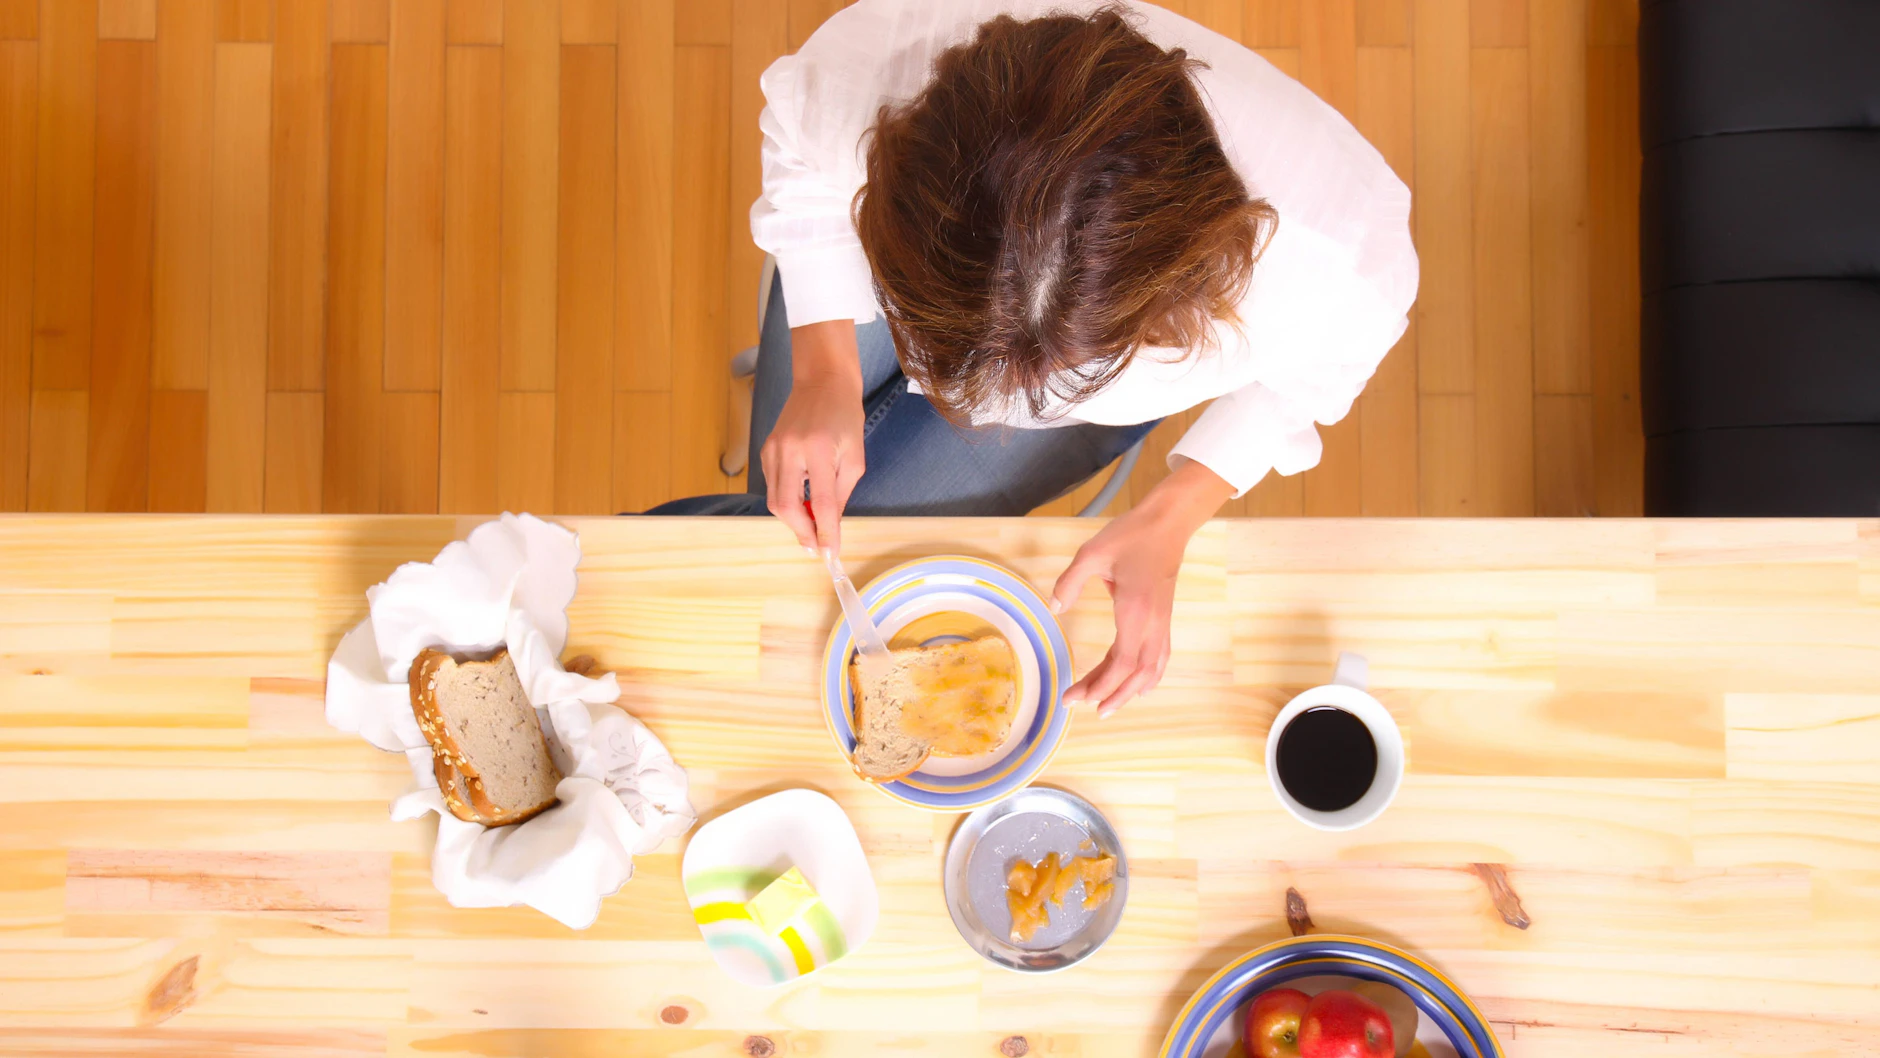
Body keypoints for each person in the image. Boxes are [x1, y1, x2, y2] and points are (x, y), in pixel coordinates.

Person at [650, 1, 1417, 718]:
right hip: (914, 261)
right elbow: (800, 150)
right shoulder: (885, 59)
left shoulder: (1339, 253)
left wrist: (1174, 515)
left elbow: (1315, 377)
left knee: (785, 533)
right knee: (777, 533)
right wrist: (825, 368)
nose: (970, 400)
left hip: (1090, 393)